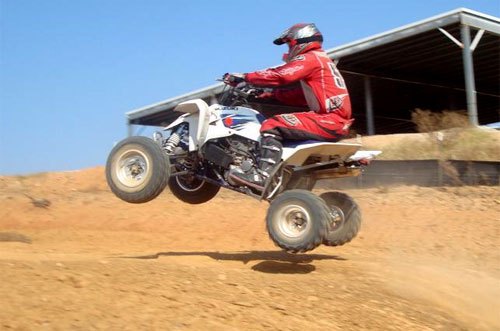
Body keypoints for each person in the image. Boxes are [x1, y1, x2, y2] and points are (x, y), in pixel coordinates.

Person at [223, 23, 353, 191]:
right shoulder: (322, 60)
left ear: (298, 41)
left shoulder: (311, 57)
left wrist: (245, 77)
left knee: (272, 124)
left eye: (288, 44)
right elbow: (300, 95)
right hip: (335, 121)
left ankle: (262, 176)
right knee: (285, 127)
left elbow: (281, 76)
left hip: (329, 120)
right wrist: (268, 94)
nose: (287, 49)